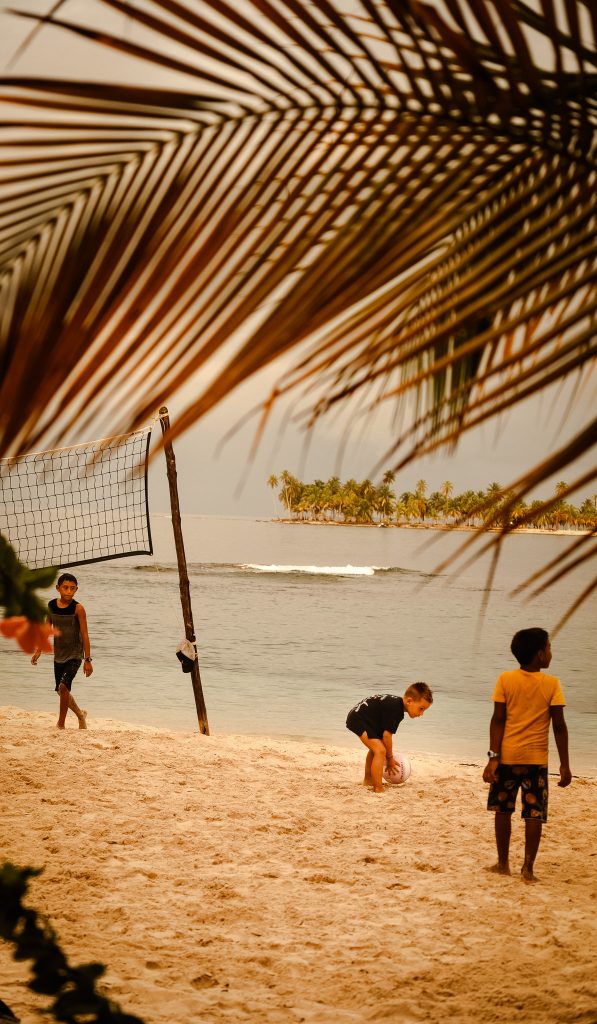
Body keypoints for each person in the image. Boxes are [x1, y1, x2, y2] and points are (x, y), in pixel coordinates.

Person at [483, 627, 572, 882]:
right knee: (534, 813)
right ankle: (528, 868)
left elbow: (497, 720)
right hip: (536, 761)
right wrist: (564, 764)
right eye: (549, 648)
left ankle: (502, 864)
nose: (551, 653)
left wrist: (493, 756)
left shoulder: (505, 680)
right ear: (540, 654)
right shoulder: (552, 684)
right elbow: (559, 726)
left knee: (503, 810)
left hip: (507, 758)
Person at [31, 572, 93, 729]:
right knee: (60, 691)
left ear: (76, 589)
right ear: (58, 588)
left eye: (72, 588)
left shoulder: (78, 609)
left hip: (75, 654)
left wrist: (87, 659)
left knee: (64, 686)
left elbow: (85, 634)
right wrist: (38, 650)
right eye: (65, 588)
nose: (69, 591)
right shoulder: (51, 605)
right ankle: (80, 714)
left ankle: (61, 724)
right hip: (59, 654)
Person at [346, 683, 433, 792]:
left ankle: (368, 780)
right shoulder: (396, 710)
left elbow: (384, 732)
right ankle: (378, 788)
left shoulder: (396, 704)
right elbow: (387, 736)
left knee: (376, 749)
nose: (422, 714)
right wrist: (390, 758)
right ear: (409, 701)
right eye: (421, 708)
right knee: (380, 751)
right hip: (358, 719)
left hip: (363, 717)